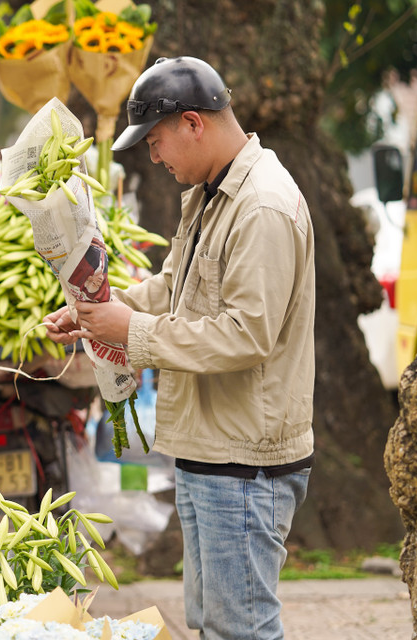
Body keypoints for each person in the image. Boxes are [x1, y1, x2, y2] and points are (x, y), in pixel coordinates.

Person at [45, 57, 315, 639]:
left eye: (157, 140)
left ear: (193, 123)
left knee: (238, 628)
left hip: (245, 461)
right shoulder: (211, 192)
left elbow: (247, 333)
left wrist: (131, 333)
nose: (155, 156)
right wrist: (95, 314)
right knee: (211, 623)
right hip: (208, 448)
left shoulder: (261, 204)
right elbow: (177, 289)